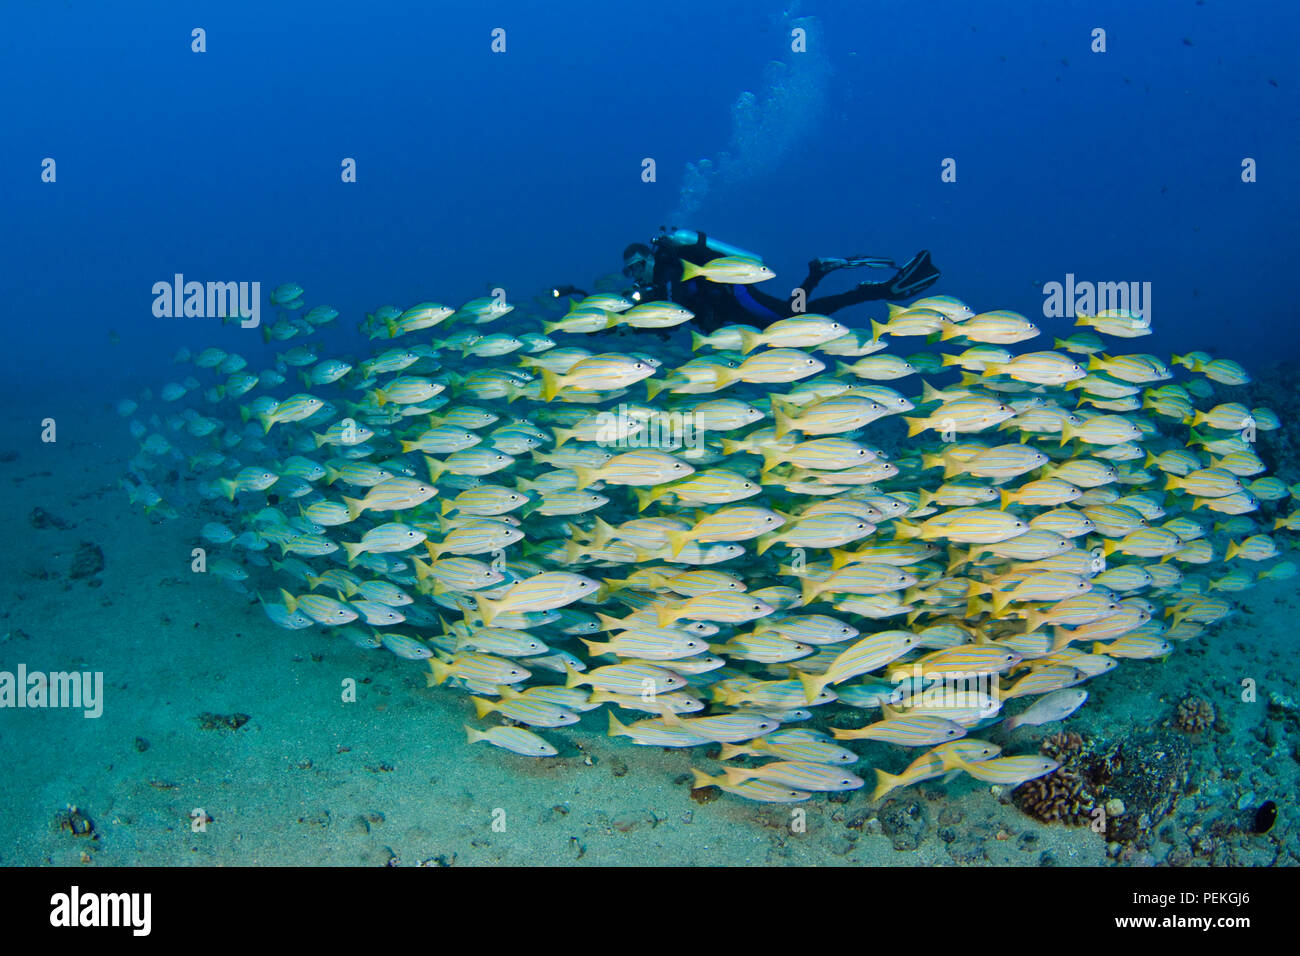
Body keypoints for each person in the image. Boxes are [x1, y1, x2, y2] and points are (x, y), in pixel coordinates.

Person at [613, 229, 941, 334]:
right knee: (794, 316)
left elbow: (682, 307)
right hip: (726, 307)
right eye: (630, 272)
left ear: (651, 257)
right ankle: (851, 284)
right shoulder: (659, 286)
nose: (636, 275)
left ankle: (834, 278)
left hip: (733, 290)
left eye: (637, 266)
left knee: (787, 320)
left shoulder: (672, 269)